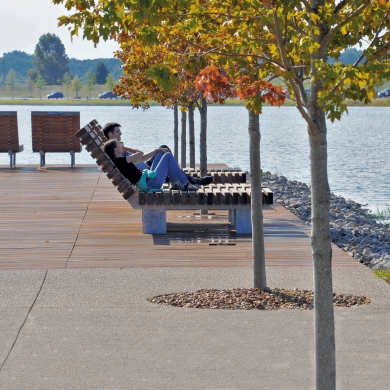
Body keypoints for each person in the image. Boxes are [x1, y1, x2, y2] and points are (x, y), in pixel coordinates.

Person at [102, 122, 213, 186]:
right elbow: (139, 158)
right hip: (147, 174)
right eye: (117, 131)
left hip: (146, 172)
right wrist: (125, 148)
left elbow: (139, 158)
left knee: (163, 149)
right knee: (167, 157)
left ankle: (180, 181)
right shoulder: (116, 150)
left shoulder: (116, 149)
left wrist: (156, 150)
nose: (121, 133)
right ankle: (191, 181)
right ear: (110, 134)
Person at [104, 138, 199, 191]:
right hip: (151, 184)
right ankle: (186, 183)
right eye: (119, 145)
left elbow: (142, 158)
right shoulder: (122, 161)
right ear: (115, 150)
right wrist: (127, 148)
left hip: (149, 179)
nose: (121, 146)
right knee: (168, 156)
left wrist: (157, 150)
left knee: (162, 152)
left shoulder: (122, 161)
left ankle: (175, 184)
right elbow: (140, 153)